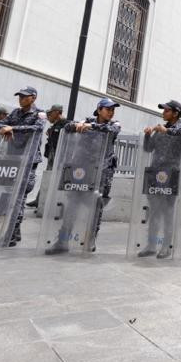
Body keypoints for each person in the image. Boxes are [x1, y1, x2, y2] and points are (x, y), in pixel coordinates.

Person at [46, 98, 121, 253]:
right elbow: (67, 126)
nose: (111, 112)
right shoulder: (86, 121)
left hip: (101, 172)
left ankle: (90, 240)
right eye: (108, 109)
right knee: (72, 204)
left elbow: (110, 130)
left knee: (96, 206)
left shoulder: (114, 125)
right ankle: (62, 241)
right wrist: (78, 125)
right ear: (99, 110)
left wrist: (89, 126)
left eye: (113, 110)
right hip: (82, 170)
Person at [138, 100, 181, 258]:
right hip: (155, 173)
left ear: (175, 113)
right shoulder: (160, 129)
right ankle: (151, 245)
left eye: (167, 111)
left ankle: (167, 246)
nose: (163, 113)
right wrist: (148, 136)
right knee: (154, 211)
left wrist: (166, 131)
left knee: (168, 211)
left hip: (172, 173)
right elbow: (148, 149)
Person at [0, 86, 46, 246]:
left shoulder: (40, 114)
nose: (21, 99)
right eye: (20, 96)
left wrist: (13, 128)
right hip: (12, 158)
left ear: (33, 98)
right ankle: (14, 232)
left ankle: (10, 233)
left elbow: (37, 128)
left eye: (25, 97)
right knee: (9, 196)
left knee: (19, 197)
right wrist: (3, 128)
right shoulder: (15, 113)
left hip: (29, 160)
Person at [29, 104, 67, 208]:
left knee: (53, 180)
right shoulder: (56, 125)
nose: (49, 115)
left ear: (57, 112)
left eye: (50, 113)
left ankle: (44, 203)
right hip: (52, 155)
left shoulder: (65, 124)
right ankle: (39, 200)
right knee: (47, 178)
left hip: (59, 157)